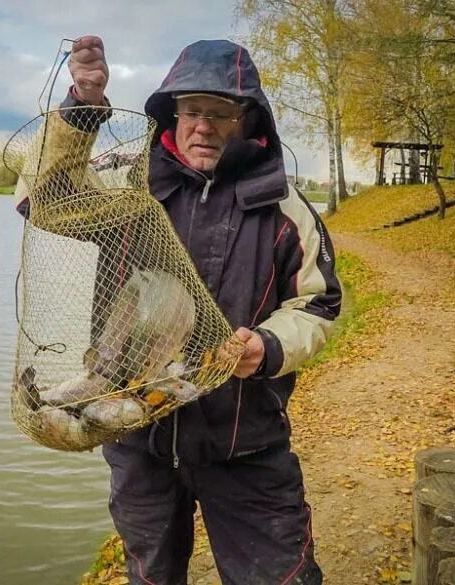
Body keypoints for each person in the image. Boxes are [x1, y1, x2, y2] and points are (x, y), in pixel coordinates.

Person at [18, 36, 342, 585]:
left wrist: (269, 345)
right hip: (138, 443)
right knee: (149, 576)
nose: (204, 127)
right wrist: (83, 104)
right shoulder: (129, 181)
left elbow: (319, 305)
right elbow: (40, 200)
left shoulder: (285, 207)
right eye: (192, 111)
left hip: (245, 443)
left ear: (249, 120)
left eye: (221, 114)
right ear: (172, 113)